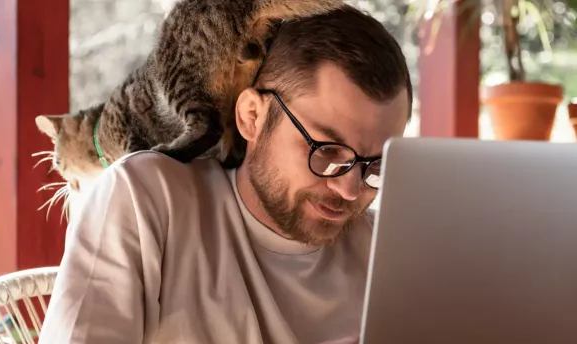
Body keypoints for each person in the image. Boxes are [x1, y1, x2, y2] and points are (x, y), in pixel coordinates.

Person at [39, 5, 412, 344]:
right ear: (252, 116)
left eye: (376, 164)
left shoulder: (388, 253)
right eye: (327, 151)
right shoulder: (144, 201)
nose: (349, 189)